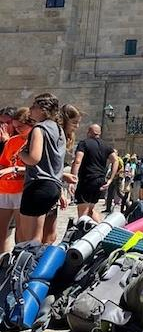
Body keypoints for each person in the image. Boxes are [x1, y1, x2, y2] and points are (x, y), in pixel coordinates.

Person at [17, 93, 66, 244]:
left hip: (37, 185)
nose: (30, 109)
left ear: (43, 109)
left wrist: (21, 154)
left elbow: (34, 158)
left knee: (28, 240)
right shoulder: (59, 130)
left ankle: (28, 260)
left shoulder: (39, 128)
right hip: (54, 187)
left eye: (34, 106)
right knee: (46, 239)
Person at [42, 104, 81, 245]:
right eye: (74, 122)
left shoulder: (61, 137)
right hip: (45, 186)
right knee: (45, 235)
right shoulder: (57, 136)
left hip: (52, 185)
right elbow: (49, 165)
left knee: (50, 235)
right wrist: (62, 182)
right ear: (65, 120)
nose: (77, 126)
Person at [0, 108, 35, 252]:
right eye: (15, 127)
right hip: (5, 188)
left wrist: (14, 170)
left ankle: (18, 259)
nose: (17, 130)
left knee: (21, 233)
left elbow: (36, 168)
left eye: (20, 126)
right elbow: (4, 162)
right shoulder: (12, 141)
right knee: (1, 231)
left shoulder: (35, 142)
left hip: (22, 189)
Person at [70, 124, 119, 222]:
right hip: (100, 181)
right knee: (90, 210)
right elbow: (115, 160)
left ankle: (83, 230)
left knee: (83, 213)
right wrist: (110, 179)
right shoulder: (106, 145)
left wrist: (72, 178)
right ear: (99, 133)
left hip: (87, 180)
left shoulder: (84, 143)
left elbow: (78, 161)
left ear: (89, 132)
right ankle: (102, 228)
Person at [103, 149, 125, 213]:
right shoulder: (113, 160)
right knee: (110, 192)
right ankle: (108, 208)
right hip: (113, 178)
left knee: (119, 193)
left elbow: (122, 169)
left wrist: (115, 174)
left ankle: (127, 204)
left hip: (118, 178)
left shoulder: (119, 160)